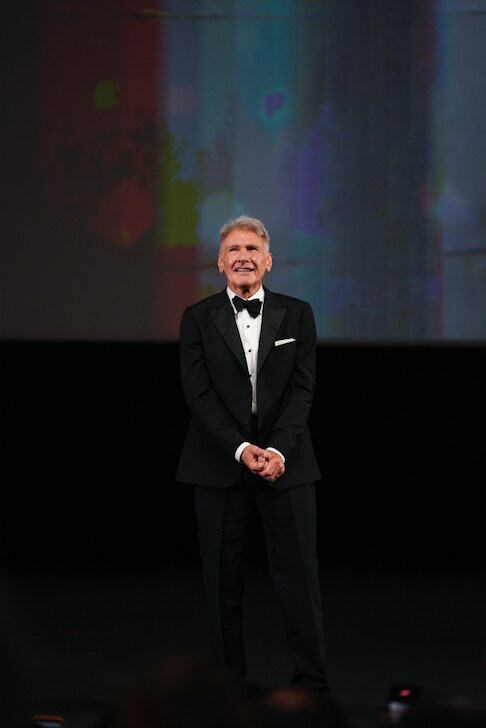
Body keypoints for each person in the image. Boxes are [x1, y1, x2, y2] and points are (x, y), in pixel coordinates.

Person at [176, 215, 329, 692]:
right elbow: (198, 396)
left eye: (252, 249)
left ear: (268, 261)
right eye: (234, 249)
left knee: (300, 581)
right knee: (222, 586)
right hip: (219, 466)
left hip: (288, 464)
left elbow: (303, 390)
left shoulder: (298, 314)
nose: (243, 256)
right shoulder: (197, 318)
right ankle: (227, 689)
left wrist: (278, 449)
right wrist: (243, 450)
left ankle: (311, 687)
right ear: (220, 263)